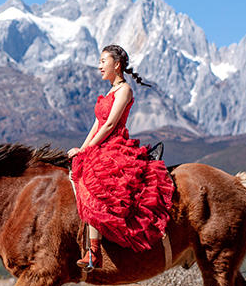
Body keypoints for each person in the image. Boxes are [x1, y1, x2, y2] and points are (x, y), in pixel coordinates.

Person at [67, 45, 174, 271]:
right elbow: (97, 123)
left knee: (95, 185)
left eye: (103, 61)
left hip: (114, 145)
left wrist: (88, 150)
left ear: (117, 65)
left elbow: (109, 124)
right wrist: (82, 148)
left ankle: (94, 251)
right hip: (100, 145)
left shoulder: (124, 90)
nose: (99, 66)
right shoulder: (108, 92)